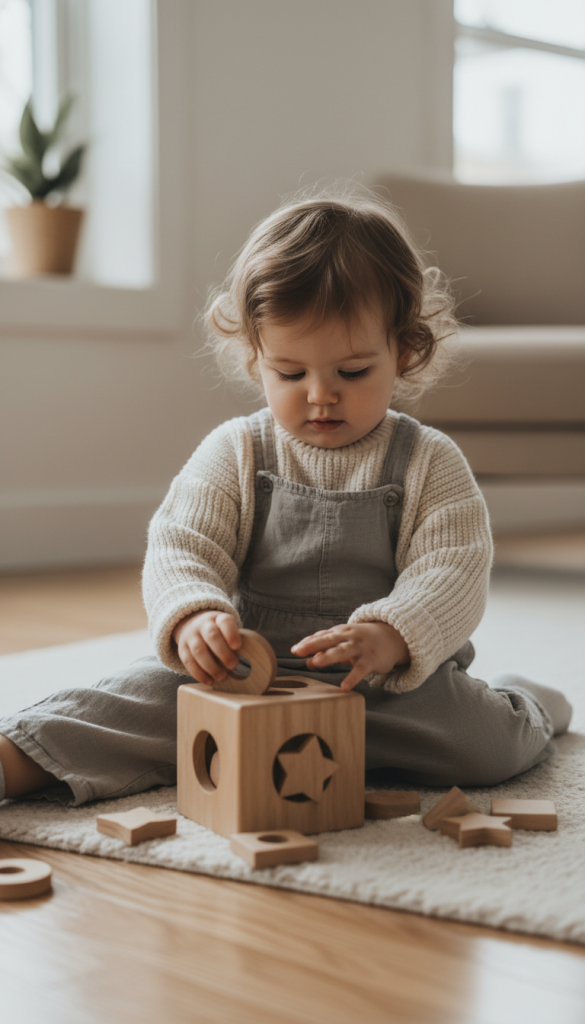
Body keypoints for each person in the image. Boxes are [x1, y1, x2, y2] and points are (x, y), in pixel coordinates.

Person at [0, 186, 572, 806]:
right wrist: (193, 614)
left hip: (376, 685)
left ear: (404, 350)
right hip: (243, 674)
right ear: (255, 358)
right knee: (128, 703)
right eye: (291, 373)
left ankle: (529, 704)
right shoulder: (236, 450)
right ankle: (17, 757)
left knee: (484, 746)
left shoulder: (429, 461)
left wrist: (393, 634)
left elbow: (453, 568)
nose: (320, 394)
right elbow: (181, 544)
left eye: (352, 372)